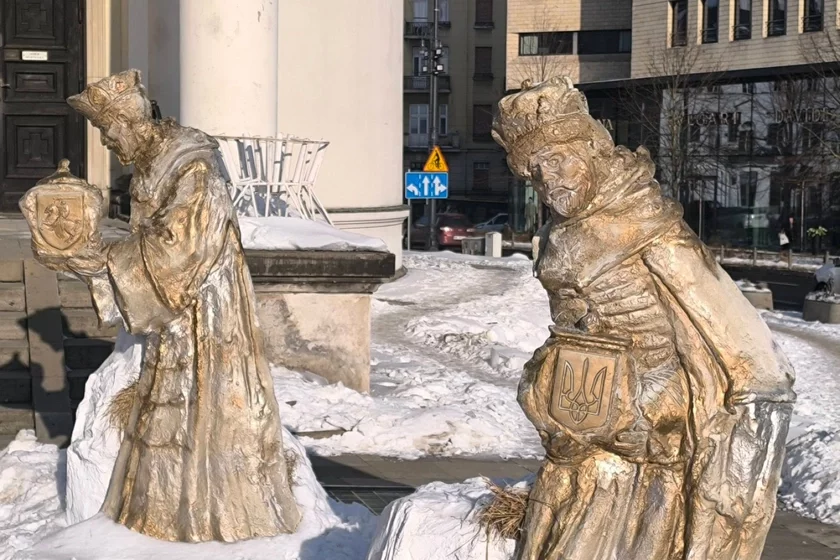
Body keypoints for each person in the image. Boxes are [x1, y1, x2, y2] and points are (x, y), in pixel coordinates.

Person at [492, 77, 795, 560]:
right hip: (581, 423)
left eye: (559, 159)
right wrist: (542, 386)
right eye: (535, 171)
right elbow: (570, 334)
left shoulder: (650, 227)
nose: (549, 180)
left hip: (651, 432)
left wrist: (656, 410)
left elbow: (739, 348)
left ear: (592, 149)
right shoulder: (557, 235)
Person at [56, 69, 301, 542]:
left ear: (129, 123)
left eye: (107, 132)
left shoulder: (191, 163)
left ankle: (217, 518)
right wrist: (98, 262)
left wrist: (103, 260)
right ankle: (168, 513)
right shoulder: (153, 161)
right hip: (177, 312)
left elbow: (180, 250)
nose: (107, 144)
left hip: (208, 308)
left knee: (211, 408)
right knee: (177, 408)